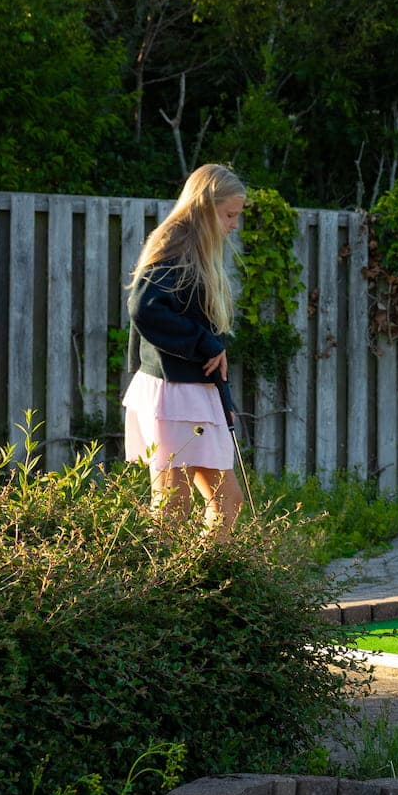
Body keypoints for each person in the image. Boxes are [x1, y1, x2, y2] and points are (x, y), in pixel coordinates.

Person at [123, 163, 248, 541]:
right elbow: (144, 307)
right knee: (176, 502)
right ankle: (177, 591)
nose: (234, 225)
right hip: (174, 392)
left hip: (188, 389)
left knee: (218, 500)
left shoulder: (193, 247)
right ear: (205, 206)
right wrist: (203, 343)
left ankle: (199, 585)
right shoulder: (177, 244)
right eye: (229, 215)